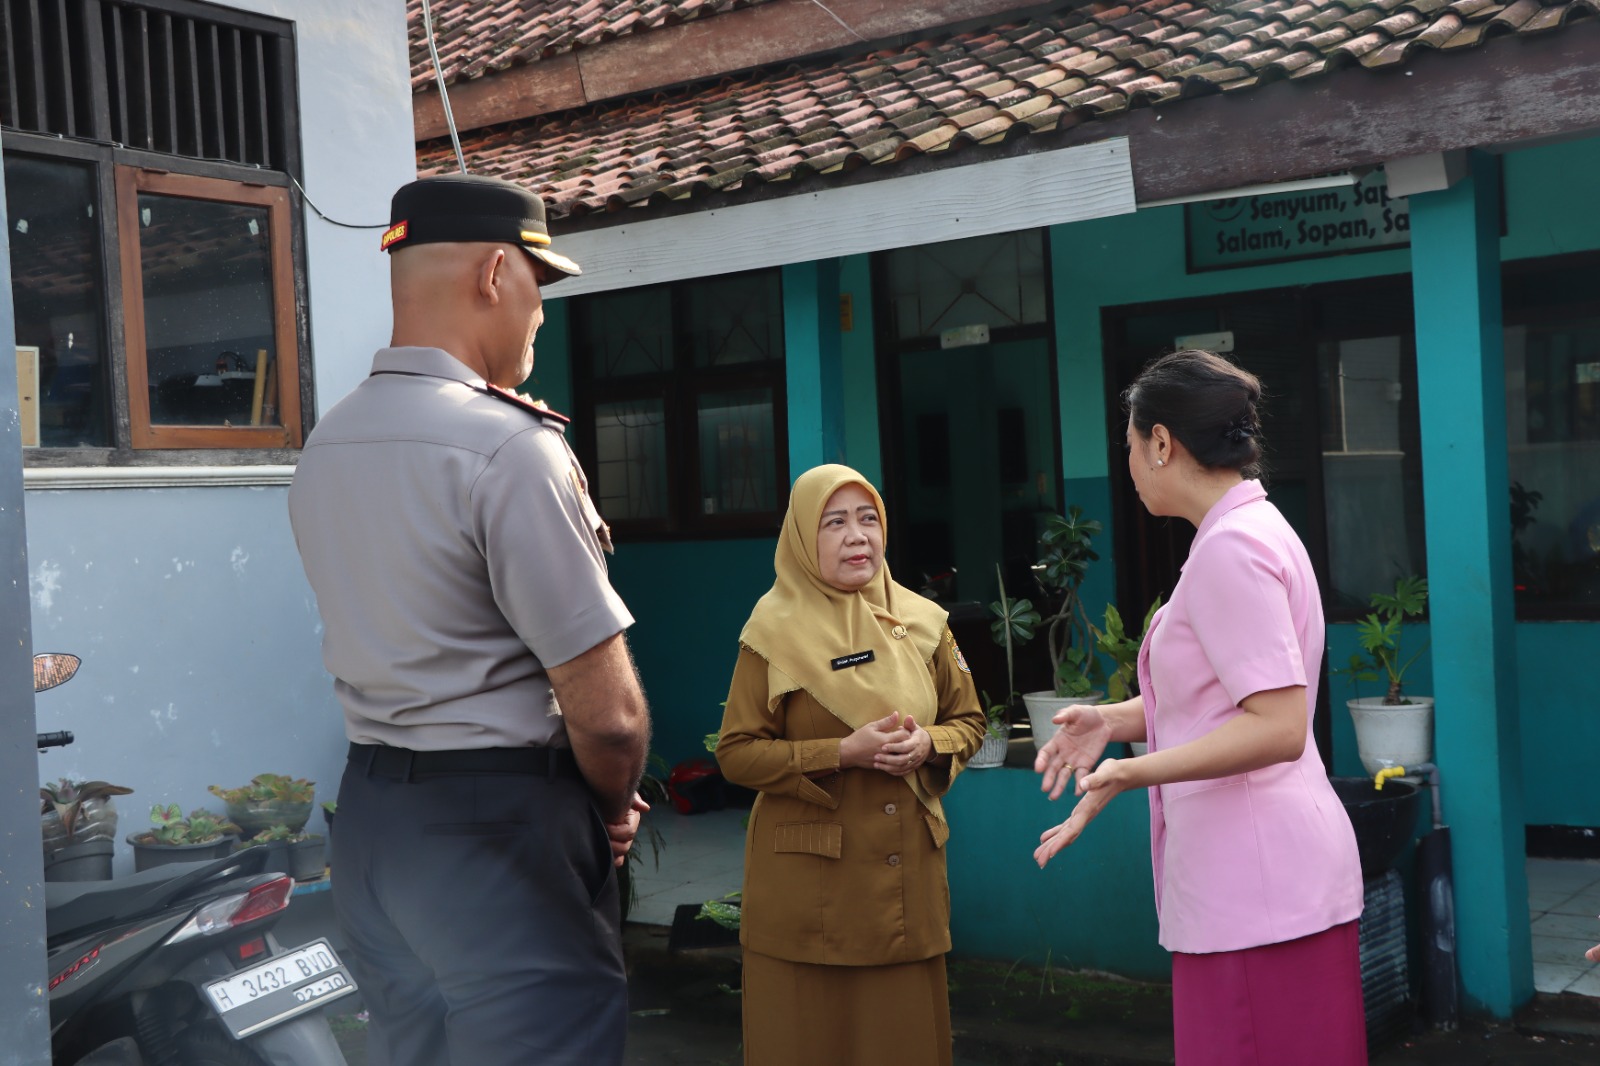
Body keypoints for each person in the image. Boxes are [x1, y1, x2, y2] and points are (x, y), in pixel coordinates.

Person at [288, 174, 651, 1066]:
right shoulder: (510, 446)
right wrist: (610, 807)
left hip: (373, 819)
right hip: (499, 833)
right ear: (494, 273)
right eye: (538, 284)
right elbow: (608, 716)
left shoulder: (328, 443)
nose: (540, 314)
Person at [1032, 350, 1366, 1064]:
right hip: (1271, 882)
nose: (1128, 464)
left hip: (1255, 890)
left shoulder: (1229, 549)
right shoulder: (1251, 529)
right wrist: (1111, 721)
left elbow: (1278, 726)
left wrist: (1132, 771)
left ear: (1161, 442)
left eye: (1129, 444)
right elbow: (1220, 698)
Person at [714, 464, 989, 1066]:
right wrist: (840, 752)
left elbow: (970, 722)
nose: (857, 536)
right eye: (834, 523)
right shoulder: (772, 631)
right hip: (808, 894)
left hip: (903, 884)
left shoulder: (924, 623)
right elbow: (736, 752)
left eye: (868, 519)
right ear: (802, 539)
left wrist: (930, 745)